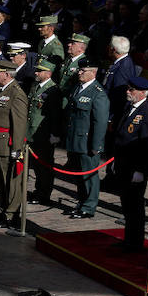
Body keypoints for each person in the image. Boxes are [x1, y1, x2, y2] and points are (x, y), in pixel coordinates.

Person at [112, 75, 148, 252]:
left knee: (135, 206)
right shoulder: (130, 108)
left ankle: (135, 242)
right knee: (127, 204)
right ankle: (129, 238)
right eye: (128, 88)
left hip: (135, 168)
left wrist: (141, 170)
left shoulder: (147, 114)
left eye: (131, 90)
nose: (128, 92)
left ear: (142, 93)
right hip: (124, 164)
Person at [0, 58, 28, 233]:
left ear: (7, 74)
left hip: (5, 144)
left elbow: (18, 124)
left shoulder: (16, 93)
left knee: (10, 181)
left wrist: (17, 149)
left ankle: (11, 214)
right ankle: (2, 208)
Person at [64, 60, 110, 219]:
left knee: (89, 176)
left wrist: (96, 145)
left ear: (93, 72)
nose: (79, 73)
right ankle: (81, 202)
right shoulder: (78, 88)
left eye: (83, 70)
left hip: (87, 142)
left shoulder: (98, 93)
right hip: (75, 140)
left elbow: (100, 122)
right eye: (79, 70)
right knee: (79, 175)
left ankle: (89, 206)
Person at [26, 60, 62, 205]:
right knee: (35, 165)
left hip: (44, 134)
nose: (36, 73)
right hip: (31, 132)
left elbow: (56, 115)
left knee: (44, 167)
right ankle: (37, 191)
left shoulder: (53, 90)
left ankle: (43, 194)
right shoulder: (36, 86)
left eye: (39, 71)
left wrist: (55, 134)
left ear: (48, 73)